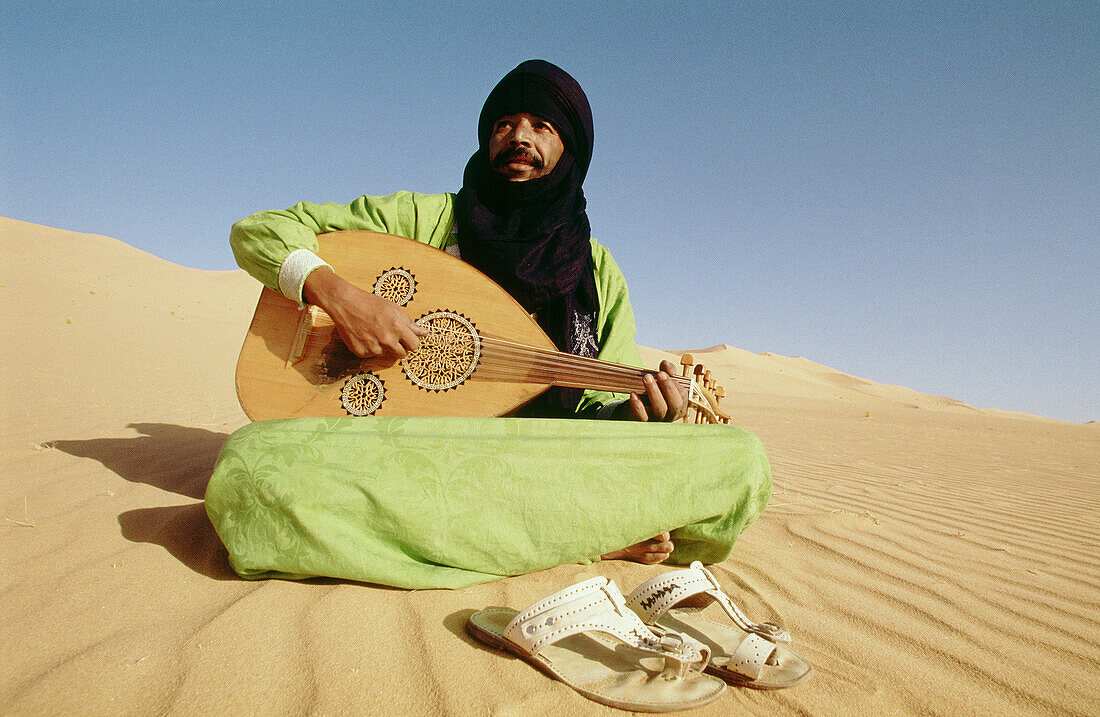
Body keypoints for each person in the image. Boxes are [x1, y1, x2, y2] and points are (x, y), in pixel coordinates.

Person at [209, 60, 773, 588]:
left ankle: (527, 533)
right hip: (408, 455)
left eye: (542, 126)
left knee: (741, 460)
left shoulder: (597, 273)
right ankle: (575, 534)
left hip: (537, 464)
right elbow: (261, 229)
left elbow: (602, 419)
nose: (520, 137)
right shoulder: (424, 219)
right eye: (506, 123)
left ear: (570, 148)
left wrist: (641, 410)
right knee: (251, 469)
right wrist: (339, 295)